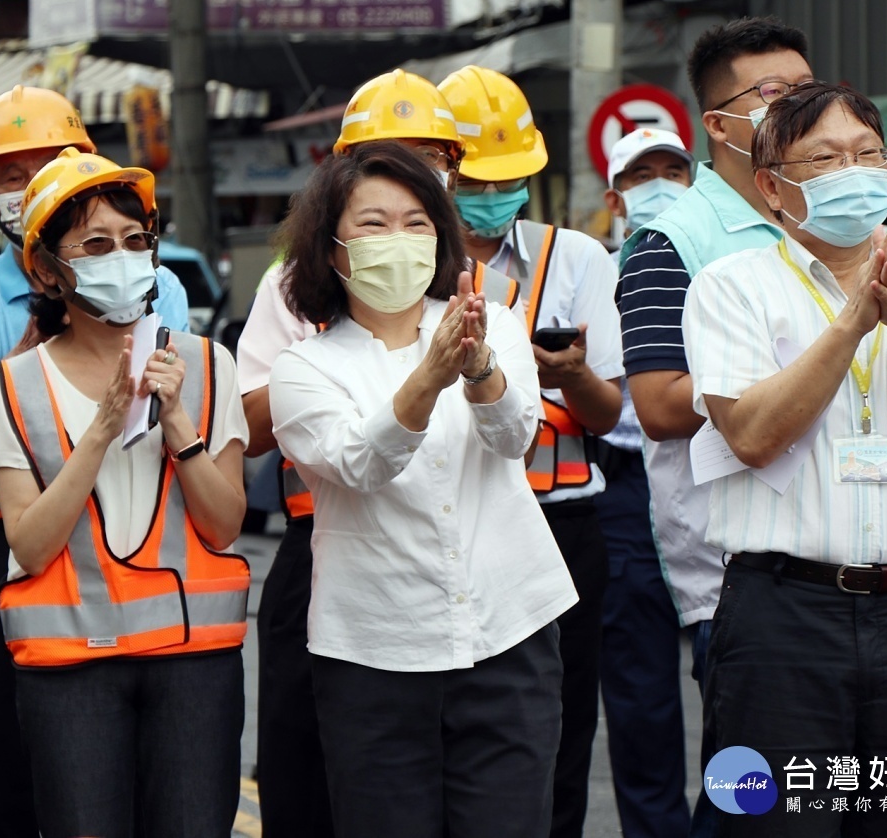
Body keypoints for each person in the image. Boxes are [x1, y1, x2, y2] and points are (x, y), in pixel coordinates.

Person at [686, 81, 887, 835]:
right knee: (770, 822)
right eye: (827, 160)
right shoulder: (730, 287)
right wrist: (849, 325)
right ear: (773, 186)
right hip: (780, 617)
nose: (854, 172)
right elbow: (753, 434)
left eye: (869, 156)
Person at [0, 85, 190, 838]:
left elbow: (176, 411)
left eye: (52, 161)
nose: (29, 183)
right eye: (8, 172)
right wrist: (21, 370)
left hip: (122, 539)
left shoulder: (160, 286)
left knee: (110, 782)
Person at [268, 140, 576, 838]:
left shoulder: (490, 322)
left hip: (509, 631)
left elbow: (514, 436)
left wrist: (478, 369)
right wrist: (430, 377)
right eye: (373, 224)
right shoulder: (303, 368)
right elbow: (359, 464)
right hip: (377, 655)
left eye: (416, 222)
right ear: (332, 246)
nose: (398, 240)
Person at [0, 147, 249, 837]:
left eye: (135, 241)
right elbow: (30, 546)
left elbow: (223, 527)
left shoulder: (207, 365)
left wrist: (178, 421)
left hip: (193, 665)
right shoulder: (15, 386)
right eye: (95, 245)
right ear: (47, 267)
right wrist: (100, 431)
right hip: (72, 670)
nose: (121, 259)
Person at [238, 68, 469, 838]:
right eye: (383, 153)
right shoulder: (296, 284)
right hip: (330, 545)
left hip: (464, 550)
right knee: (308, 777)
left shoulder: (471, 285)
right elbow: (252, 417)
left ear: (453, 167)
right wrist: (340, 363)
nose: (406, 169)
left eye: (427, 154)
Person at [615, 16, 812, 834]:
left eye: (807, 92)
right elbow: (659, 406)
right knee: (750, 801)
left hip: (846, 549)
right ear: (719, 122)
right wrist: (795, 379)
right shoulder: (671, 241)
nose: (797, 110)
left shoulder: (823, 217)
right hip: (738, 572)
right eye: (773, 95)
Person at [438, 64, 623, 838]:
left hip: (560, 524)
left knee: (560, 728)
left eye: (508, 179)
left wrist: (573, 374)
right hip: (451, 523)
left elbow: (609, 414)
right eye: (479, 180)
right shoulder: (405, 263)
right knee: (446, 732)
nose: (492, 196)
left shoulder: (576, 259)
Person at [596, 127, 693, 837]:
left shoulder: (714, 264)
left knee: (736, 679)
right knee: (641, 690)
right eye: (640, 176)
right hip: (624, 487)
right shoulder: (591, 272)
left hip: (707, 476)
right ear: (614, 197)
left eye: (672, 171)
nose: (658, 185)